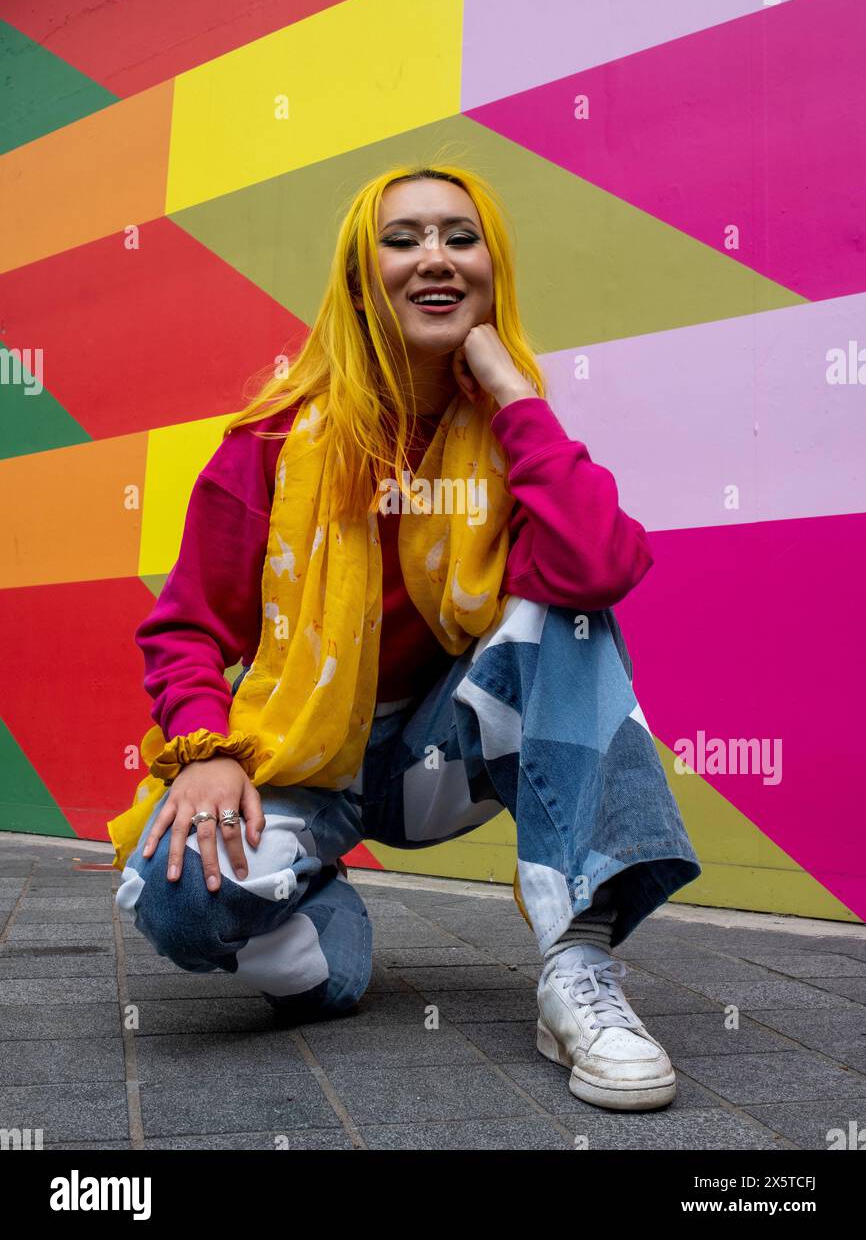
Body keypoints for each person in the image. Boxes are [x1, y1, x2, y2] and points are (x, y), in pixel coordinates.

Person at [108, 162, 701, 1113]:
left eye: (461, 238)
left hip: (444, 750)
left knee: (570, 610)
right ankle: (325, 926)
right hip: (303, 759)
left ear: (491, 270)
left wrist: (513, 394)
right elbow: (186, 626)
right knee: (176, 895)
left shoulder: (514, 439)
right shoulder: (269, 442)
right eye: (403, 238)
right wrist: (203, 755)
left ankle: (577, 969)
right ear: (358, 277)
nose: (436, 258)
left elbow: (601, 565)